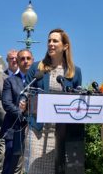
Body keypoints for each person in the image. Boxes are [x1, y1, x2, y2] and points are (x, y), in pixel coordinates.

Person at [24, 28, 82, 174]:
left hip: (60, 133)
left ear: (65, 46)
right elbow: (26, 93)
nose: (51, 44)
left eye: (55, 41)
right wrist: (24, 101)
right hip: (37, 130)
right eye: (49, 41)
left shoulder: (75, 72)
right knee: (34, 170)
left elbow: (77, 100)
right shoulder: (37, 68)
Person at [0, 49, 34, 174]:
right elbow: (7, 104)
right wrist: (23, 114)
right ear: (18, 62)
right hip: (14, 130)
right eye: (22, 59)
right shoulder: (10, 81)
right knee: (10, 167)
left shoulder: (39, 81)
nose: (25, 61)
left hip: (35, 130)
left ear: (33, 61)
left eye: (28, 58)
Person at [0, 49, 19, 174]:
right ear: (7, 60)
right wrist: (10, 118)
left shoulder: (24, 78)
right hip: (4, 125)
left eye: (16, 58)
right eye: (11, 58)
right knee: (2, 156)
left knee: (19, 159)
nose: (14, 60)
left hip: (21, 126)